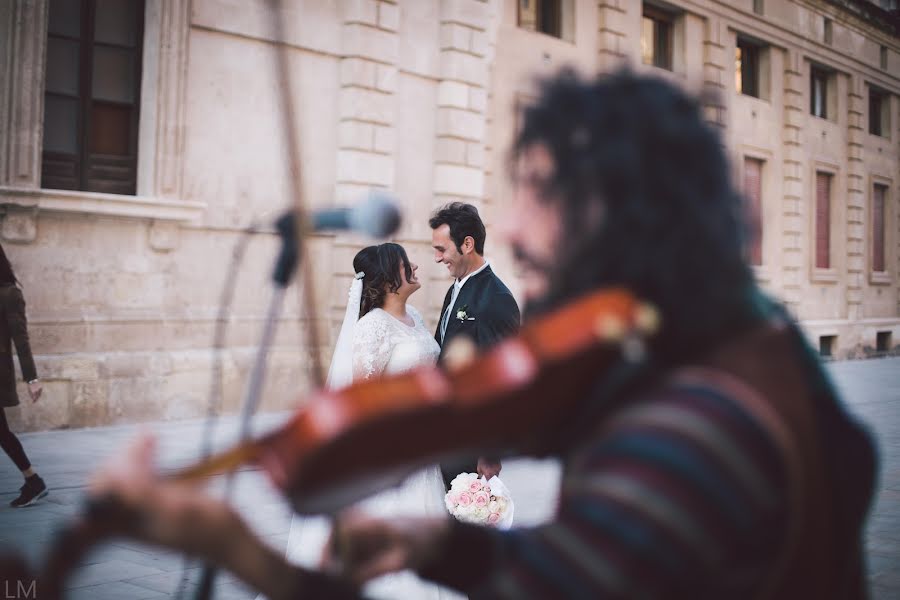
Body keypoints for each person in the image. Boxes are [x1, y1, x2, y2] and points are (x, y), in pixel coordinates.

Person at [81, 68, 876, 599]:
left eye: (540, 191)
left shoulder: (691, 438)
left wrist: (229, 544)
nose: (517, 225)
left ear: (630, 218)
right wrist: (436, 545)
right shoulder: (750, 336)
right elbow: (576, 563)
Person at [281, 242, 458, 599]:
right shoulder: (372, 328)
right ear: (391, 277)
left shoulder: (417, 319)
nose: (416, 266)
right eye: (407, 263)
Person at [429, 203, 520, 488]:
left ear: (467, 244)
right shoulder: (455, 288)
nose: (436, 258)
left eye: (442, 249)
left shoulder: (496, 298)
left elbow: (503, 378)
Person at [0, 243, 48, 508]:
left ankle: (33, 480)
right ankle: (33, 480)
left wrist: (32, 378)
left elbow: (22, 340)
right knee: (2, 432)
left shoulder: (10, 294)